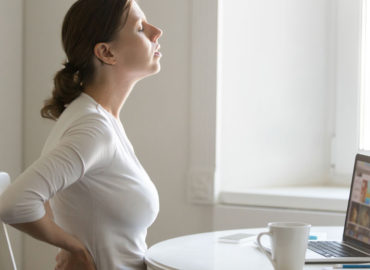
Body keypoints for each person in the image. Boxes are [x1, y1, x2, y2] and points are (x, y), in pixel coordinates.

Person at [0, 0, 163, 269]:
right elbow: (13, 204)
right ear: (106, 52)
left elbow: (71, 202)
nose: (156, 31)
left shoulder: (97, 119)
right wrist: (74, 247)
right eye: (139, 27)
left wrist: (73, 237)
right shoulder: (93, 127)